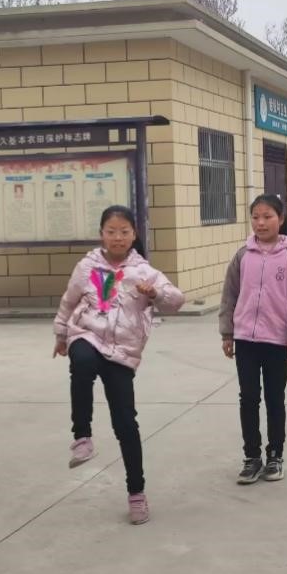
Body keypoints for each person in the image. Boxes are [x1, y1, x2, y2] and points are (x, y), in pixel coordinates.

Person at [52, 205, 184, 524]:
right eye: (111, 231)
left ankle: (136, 493)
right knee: (82, 362)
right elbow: (68, 302)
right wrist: (61, 334)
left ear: (134, 235)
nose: (117, 237)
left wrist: (155, 293)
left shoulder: (143, 272)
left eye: (124, 232)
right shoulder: (87, 267)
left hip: (123, 350)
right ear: (102, 234)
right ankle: (82, 437)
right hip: (87, 333)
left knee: (125, 422)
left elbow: (177, 300)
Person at [219, 194, 287, 484]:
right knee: (248, 398)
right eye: (256, 217)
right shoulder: (242, 256)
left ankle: (275, 456)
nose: (261, 223)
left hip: (277, 341)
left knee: (275, 399)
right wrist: (227, 333)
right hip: (245, 339)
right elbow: (229, 296)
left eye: (267, 216)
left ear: (281, 219)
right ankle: (251, 457)